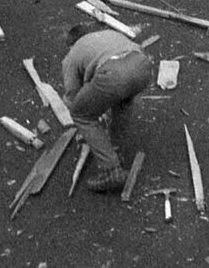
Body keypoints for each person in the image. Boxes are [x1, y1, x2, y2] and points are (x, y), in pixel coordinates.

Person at [61, 22, 153, 192]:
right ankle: (115, 149)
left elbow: (72, 95)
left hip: (113, 73)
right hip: (142, 67)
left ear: (71, 44)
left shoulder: (73, 54)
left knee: (81, 115)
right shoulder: (108, 34)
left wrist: (90, 124)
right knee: (122, 102)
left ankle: (111, 169)